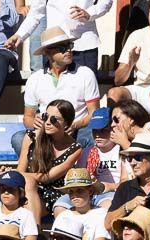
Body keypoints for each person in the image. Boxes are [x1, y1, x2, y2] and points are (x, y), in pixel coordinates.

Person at [16, 28, 99, 156]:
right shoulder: (35, 78)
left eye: (69, 45)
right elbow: (28, 117)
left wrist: (76, 125)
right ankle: (42, 171)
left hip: (76, 131)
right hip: (47, 132)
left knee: (93, 136)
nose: (68, 50)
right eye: (62, 48)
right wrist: (34, 122)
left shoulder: (85, 73)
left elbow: (94, 112)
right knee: (18, 139)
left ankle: (80, 174)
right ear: (47, 52)